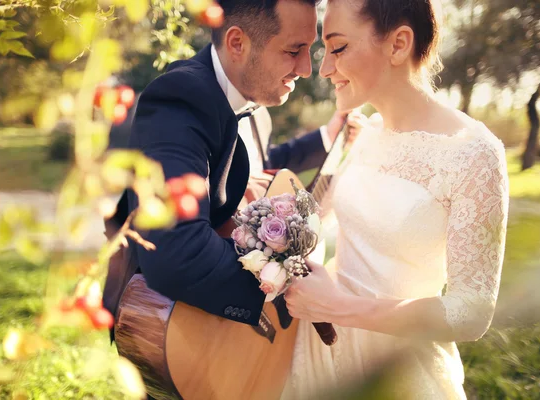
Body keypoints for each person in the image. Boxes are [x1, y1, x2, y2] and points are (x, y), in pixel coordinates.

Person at [282, 0, 510, 398]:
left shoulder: (475, 154)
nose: (323, 69)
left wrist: (337, 307)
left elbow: (471, 311)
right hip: (315, 349)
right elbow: (318, 217)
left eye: (337, 49)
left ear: (398, 44)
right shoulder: (363, 132)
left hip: (396, 373)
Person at [103, 0, 356, 332]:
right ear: (237, 43)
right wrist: (285, 285)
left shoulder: (255, 105)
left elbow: (253, 170)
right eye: (294, 51)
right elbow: (176, 252)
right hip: (172, 330)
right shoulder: (178, 99)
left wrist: (328, 136)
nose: (307, 68)